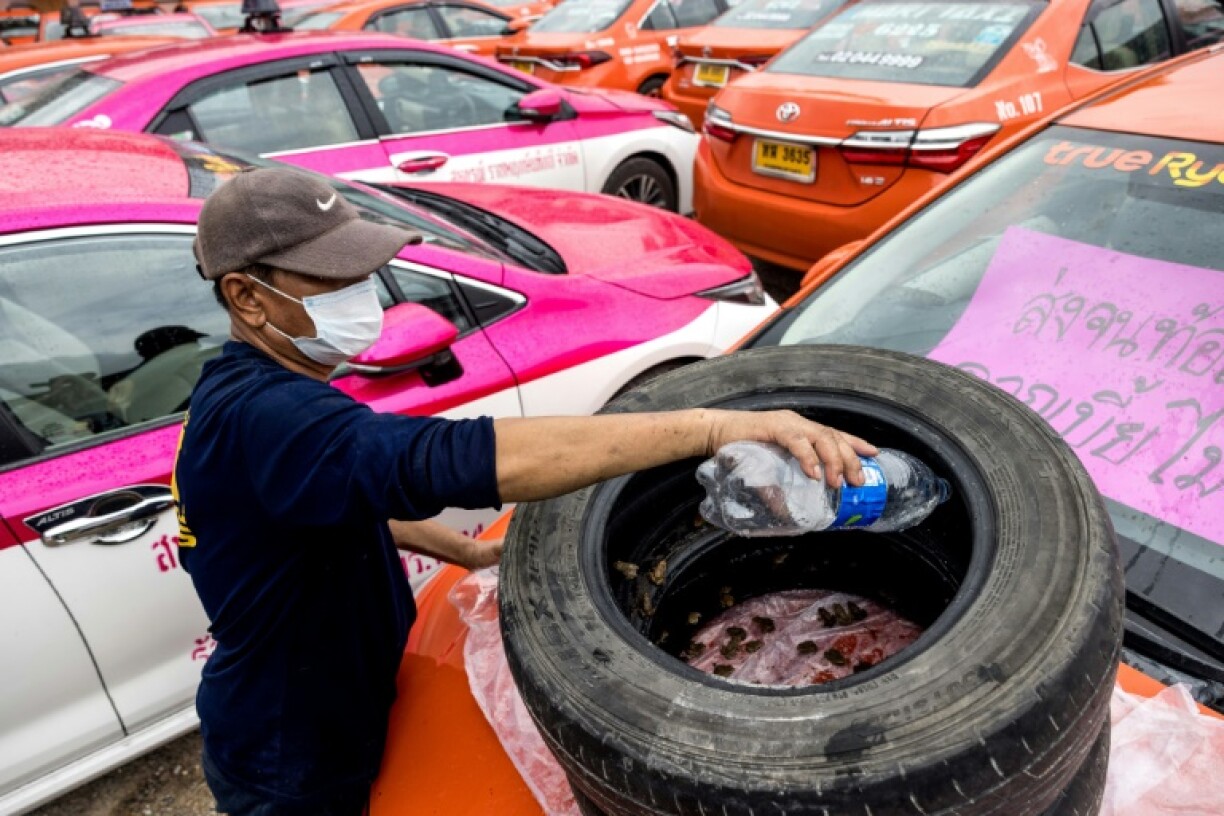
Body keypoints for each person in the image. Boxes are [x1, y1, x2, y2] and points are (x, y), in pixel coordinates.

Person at [174, 166, 876, 816]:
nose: (367, 290)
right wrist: (711, 426)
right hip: (289, 755)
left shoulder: (247, 395)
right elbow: (449, 459)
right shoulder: (268, 417)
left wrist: (462, 553)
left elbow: (332, 501)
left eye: (365, 269)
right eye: (337, 278)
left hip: (322, 711)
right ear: (246, 295)